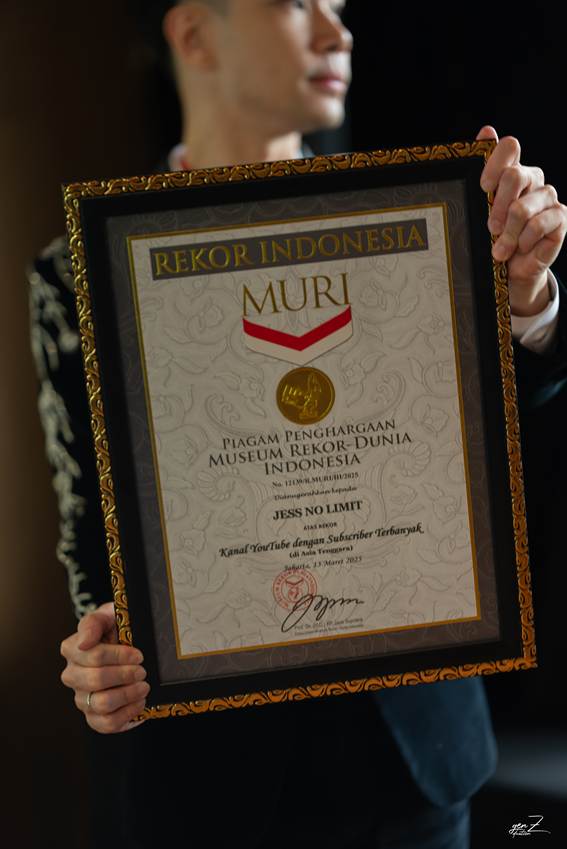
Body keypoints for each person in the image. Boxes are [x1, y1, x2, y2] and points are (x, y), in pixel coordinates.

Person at [30, 1, 567, 847]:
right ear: (193, 33)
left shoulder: (411, 221)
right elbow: (91, 528)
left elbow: (501, 437)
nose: (336, 32)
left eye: (340, 7)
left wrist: (527, 299)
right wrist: (99, 652)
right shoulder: (82, 264)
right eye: (295, 3)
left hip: (413, 759)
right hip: (202, 776)